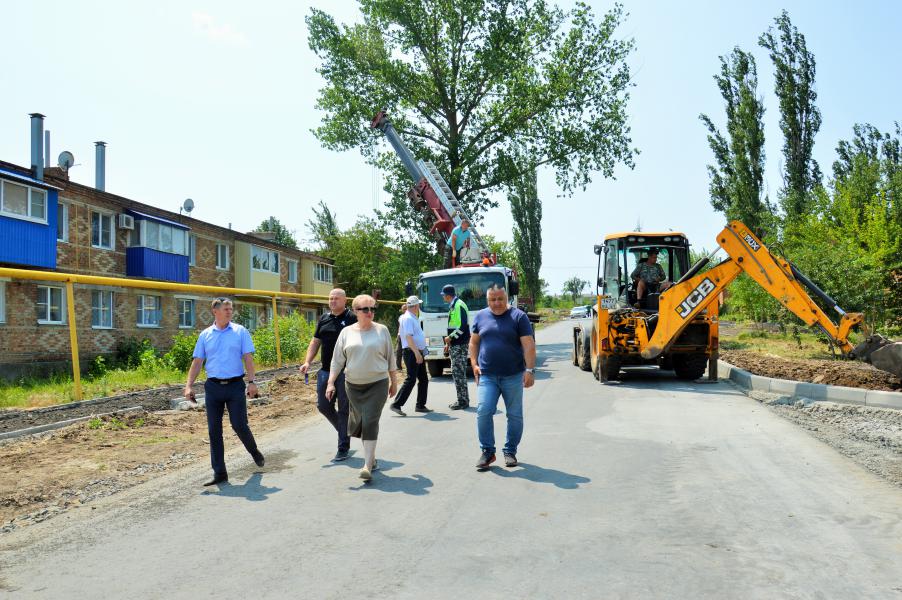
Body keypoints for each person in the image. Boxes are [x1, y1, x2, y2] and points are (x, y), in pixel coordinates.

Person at [184, 297, 265, 487]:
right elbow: (197, 362)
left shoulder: (240, 332)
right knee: (214, 431)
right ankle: (220, 473)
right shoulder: (205, 335)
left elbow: (248, 358)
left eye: (231, 309)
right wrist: (188, 385)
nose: (230, 312)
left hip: (235, 385)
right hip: (212, 387)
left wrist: (252, 382)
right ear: (215, 311)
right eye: (226, 309)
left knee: (239, 425)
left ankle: (254, 451)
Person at [326, 295, 398, 481]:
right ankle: (371, 459)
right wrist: (331, 382)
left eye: (373, 309)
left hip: (378, 383)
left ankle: (367, 465)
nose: (370, 313)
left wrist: (394, 382)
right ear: (356, 311)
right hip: (353, 386)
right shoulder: (346, 333)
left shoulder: (382, 330)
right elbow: (337, 360)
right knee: (359, 423)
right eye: (365, 309)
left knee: (370, 420)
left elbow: (391, 359)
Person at [469, 284, 536, 470]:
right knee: (483, 410)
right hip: (487, 375)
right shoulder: (480, 316)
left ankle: (510, 451)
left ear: (506, 299)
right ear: (487, 300)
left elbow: (529, 345)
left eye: (500, 299)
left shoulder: (518, 317)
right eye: (492, 299)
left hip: (513, 375)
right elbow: (474, 342)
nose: (496, 303)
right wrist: (474, 364)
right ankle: (488, 452)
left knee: (514, 415)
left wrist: (529, 370)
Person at [299, 288, 357, 462]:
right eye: (330, 298)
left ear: (344, 301)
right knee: (323, 406)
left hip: (346, 371)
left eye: (336, 299)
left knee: (344, 408)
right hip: (325, 371)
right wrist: (308, 361)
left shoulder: (352, 319)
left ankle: (343, 447)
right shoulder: (324, 318)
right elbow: (315, 341)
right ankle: (344, 431)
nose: (332, 301)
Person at [390, 295, 432, 415]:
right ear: (416, 306)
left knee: (423, 378)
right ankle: (396, 404)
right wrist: (416, 353)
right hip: (411, 351)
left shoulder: (412, 317)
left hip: (415, 351)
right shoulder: (408, 318)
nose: (419, 307)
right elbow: (409, 337)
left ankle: (420, 405)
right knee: (411, 379)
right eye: (418, 305)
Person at [442, 284, 470, 410]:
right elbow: (454, 326)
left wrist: (450, 338)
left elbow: (463, 327)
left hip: (459, 344)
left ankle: (463, 401)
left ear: (448, 295)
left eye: (443, 295)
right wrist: (449, 343)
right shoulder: (454, 305)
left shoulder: (458, 305)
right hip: (456, 344)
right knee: (457, 372)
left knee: (458, 372)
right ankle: (462, 399)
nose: (443, 298)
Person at [395, 303, 408, 370]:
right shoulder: (401, 317)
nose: (404, 310)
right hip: (401, 335)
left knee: (407, 351)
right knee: (398, 351)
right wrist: (398, 334)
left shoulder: (411, 316)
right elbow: (400, 326)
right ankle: (398, 366)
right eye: (403, 309)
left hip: (408, 336)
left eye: (405, 309)